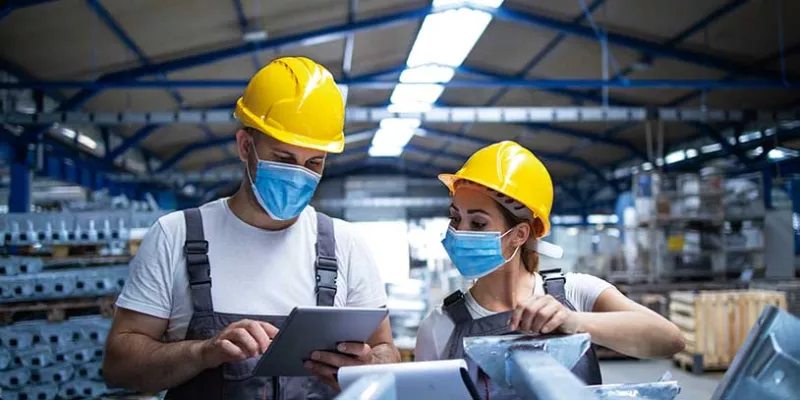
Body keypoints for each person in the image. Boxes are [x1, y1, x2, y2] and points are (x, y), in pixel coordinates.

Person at [103, 57, 400, 400]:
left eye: (314, 163)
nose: (299, 175)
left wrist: (368, 368)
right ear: (245, 146)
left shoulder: (346, 245)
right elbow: (118, 366)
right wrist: (202, 352)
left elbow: (385, 349)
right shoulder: (176, 236)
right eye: (284, 158)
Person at [414, 141, 684, 397]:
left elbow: (669, 339)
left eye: (478, 223)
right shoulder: (438, 327)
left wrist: (575, 322)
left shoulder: (576, 294)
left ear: (519, 235)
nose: (458, 232)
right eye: (456, 218)